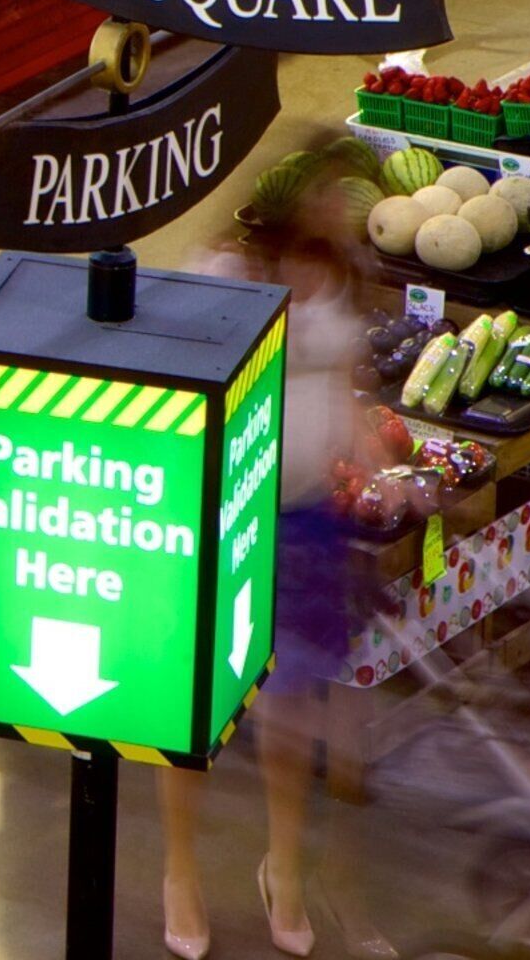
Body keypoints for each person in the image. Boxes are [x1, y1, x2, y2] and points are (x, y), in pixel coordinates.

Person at [157, 142, 388, 959]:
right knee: (198, 711)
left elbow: (344, 382)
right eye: (328, 199)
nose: (340, 214)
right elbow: (174, 383)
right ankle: (180, 872)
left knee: (294, 710)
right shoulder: (225, 274)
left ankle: (283, 868)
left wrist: (382, 465)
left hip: (309, 523)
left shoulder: (338, 272)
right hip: (225, 520)